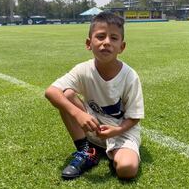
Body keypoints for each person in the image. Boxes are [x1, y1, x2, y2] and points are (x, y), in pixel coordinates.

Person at [45, 12, 144, 180]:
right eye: (100, 36)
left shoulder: (129, 76)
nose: (106, 42)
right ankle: (86, 150)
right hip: (93, 127)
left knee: (127, 169)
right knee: (66, 94)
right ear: (89, 43)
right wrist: (78, 113)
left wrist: (116, 131)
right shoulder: (83, 69)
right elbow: (51, 91)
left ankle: (116, 153)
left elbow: (134, 117)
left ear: (122, 46)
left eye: (113, 38)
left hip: (121, 132)